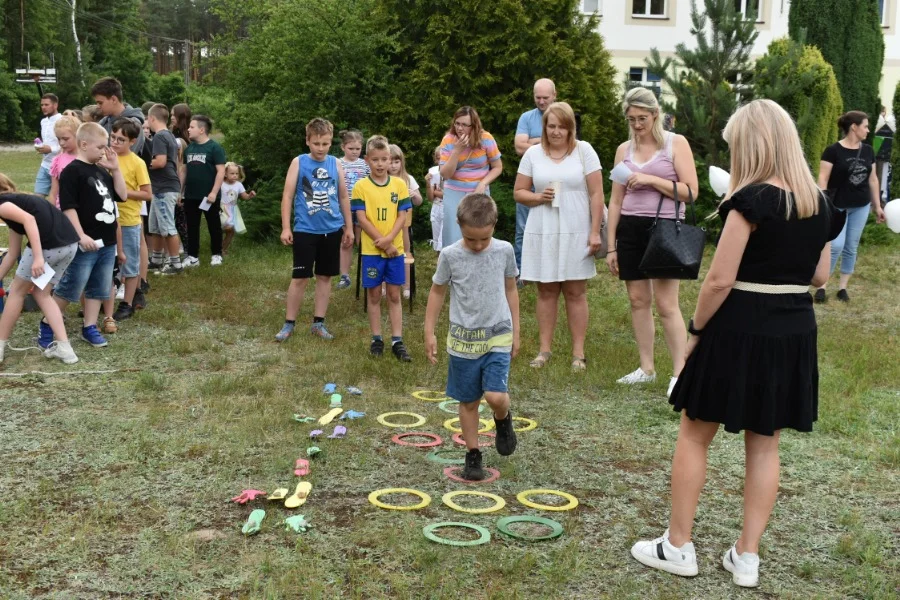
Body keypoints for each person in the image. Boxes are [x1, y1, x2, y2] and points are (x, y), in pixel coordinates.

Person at [630, 99, 841, 590]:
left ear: (752, 145)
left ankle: (678, 545)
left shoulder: (750, 201)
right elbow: (820, 275)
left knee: (694, 431)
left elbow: (719, 281)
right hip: (793, 327)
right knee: (765, 444)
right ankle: (747, 557)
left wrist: (696, 332)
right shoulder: (820, 205)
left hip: (738, 323)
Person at [606, 87, 699, 397]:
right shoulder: (623, 150)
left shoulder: (676, 144)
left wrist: (650, 180)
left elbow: (690, 191)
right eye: (631, 119)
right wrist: (611, 245)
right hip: (630, 229)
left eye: (642, 118)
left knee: (666, 304)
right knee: (637, 300)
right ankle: (646, 368)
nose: (637, 125)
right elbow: (616, 201)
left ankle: (680, 372)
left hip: (665, 229)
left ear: (656, 115)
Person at [424, 193, 519, 480]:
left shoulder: (504, 251)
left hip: (498, 335)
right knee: (468, 402)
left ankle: (503, 420)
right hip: (463, 341)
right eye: (470, 239)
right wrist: (429, 331)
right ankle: (473, 455)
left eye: (483, 239)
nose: (477, 246)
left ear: (494, 226)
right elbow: (437, 291)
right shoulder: (451, 255)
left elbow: (511, 289)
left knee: (495, 395)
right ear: (459, 226)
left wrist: (517, 330)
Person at [514, 102, 605, 371]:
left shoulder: (584, 151)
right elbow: (519, 192)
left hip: (577, 227)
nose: (555, 131)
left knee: (576, 291)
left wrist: (594, 231)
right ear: (544, 127)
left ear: (570, 128)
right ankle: (544, 351)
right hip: (543, 227)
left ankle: (578, 353)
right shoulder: (532, 154)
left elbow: (597, 193)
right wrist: (538, 197)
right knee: (546, 290)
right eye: (551, 126)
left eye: (561, 127)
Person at [275, 118, 354, 342]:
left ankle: (318, 323)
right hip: (305, 229)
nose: (321, 148)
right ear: (308, 141)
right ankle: (289, 323)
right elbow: (288, 195)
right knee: (300, 277)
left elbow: (343, 196)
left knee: (325, 276)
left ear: (331, 143)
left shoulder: (336, 164)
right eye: (317, 143)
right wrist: (286, 227)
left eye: (326, 144)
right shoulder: (298, 162)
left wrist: (348, 227)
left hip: (332, 228)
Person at [50, 122, 127, 350]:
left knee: (99, 287)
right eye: (101, 146)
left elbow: (121, 195)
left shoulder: (101, 170)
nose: (105, 151)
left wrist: (115, 168)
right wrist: (81, 235)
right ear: (84, 144)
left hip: (107, 241)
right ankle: (48, 323)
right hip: (86, 242)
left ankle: (89, 326)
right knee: (71, 287)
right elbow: (69, 207)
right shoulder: (72, 171)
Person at [0, 174, 80, 364]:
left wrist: (37, 258)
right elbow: (12, 253)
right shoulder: (14, 204)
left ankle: (0, 345)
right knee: (42, 293)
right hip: (69, 246)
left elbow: (29, 220)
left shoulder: (3, 204)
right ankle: (65, 349)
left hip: (49, 248)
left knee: (17, 293)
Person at [814, 111, 887, 303]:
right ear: (854, 127)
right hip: (837, 205)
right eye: (865, 126)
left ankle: (842, 288)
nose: (868, 130)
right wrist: (823, 202)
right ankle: (822, 285)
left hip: (861, 205)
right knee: (835, 246)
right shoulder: (833, 151)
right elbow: (823, 178)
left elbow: (873, 179)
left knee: (851, 247)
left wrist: (877, 206)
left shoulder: (868, 151)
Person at [352, 135, 412, 361]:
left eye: (384, 159)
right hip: (371, 251)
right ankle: (377, 338)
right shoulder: (361, 186)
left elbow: (402, 215)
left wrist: (390, 241)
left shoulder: (399, 184)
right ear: (367, 160)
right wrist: (382, 242)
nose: (380, 164)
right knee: (375, 294)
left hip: (395, 251)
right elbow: (362, 218)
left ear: (390, 160)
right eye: (375, 159)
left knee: (394, 294)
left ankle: (397, 340)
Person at [439, 106, 502, 247]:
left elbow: (497, 167)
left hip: (478, 191)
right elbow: (445, 174)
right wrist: (456, 151)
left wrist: (483, 183)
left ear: (473, 126)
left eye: (464, 125)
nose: (460, 128)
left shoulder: (486, 138)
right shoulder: (448, 140)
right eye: (457, 123)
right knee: (453, 236)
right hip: (454, 191)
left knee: (479, 230)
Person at [109, 118, 151, 323]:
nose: (115, 142)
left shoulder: (137, 162)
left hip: (128, 220)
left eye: (121, 140)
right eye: (113, 137)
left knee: (130, 262)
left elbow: (147, 194)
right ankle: (103, 300)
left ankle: (127, 303)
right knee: (108, 261)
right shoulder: (105, 157)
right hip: (107, 218)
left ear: (132, 141)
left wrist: (124, 193)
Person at [513, 78, 557, 275]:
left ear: (554, 96)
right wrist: (545, 143)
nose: (541, 101)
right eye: (537, 97)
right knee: (523, 228)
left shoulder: (563, 116)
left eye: (545, 97)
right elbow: (518, 147)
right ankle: (522, 271)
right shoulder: (526, 118)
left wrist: (534, 141)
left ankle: (551, 268)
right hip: (528, 181)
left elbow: (567, 146)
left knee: (554, 226)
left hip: (555, 181)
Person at [181, 115, 226, 267]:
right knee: (192, 226)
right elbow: (184, 171)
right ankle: (193, 257)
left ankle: (216, 254)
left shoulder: (214, 148)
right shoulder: (189, 149)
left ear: (201, 130)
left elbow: (221, 171)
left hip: (209, 196)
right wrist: (180, 192)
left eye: (191, 127)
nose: (188, 129)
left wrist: (213, 192)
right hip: (191, 195)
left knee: (214, 226)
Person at [145, 104, 184, 275]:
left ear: (152, 118)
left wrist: (144, 165)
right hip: (161, 187)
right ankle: (156, 260)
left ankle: (175, 264)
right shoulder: (169, 135)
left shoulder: (160, 137)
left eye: (147, 118)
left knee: (167, 227)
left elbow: (160, 162)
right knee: (154, 226)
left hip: (164, 187)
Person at [388, 144, 423, 299]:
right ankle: (383, 285)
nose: (393, 165)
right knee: (384, 254)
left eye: (397, 161)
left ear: (401, 162)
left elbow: (419, 201)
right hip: (385, 226)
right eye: (390, 161)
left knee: (404, 254)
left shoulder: (409, 179)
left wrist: (414, 195)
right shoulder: (381, 180)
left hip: (404, 226)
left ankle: (406, 286)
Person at [336, 129, 370, 290]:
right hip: (344, 208)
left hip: (363, 208)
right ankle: (345, 275)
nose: (355, 152)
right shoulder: (338, 163)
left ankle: (367, 273)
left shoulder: (365, 164)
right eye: (351, 149)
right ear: (343, 147)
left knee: (362, 241)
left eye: (357, 149)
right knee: (346, 241)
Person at [90, 77, 147, 158]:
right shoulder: (103, 122)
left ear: (113, 99)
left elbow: (127, 157)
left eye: (100, 103)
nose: (98, 106)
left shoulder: (134, 124)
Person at [220, 162, 256, 254]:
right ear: (225, 173)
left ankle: (223, 249)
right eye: (232, 173)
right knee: (226, 227)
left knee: (231, 231)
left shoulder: (238, 185)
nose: (235, 176)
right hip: (221, 209)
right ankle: (217, 246)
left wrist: (250, 195)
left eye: (236, 174)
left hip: (233, 209)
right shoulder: (221, 183)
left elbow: (245, 197)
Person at [170, 103, 192, 249]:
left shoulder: (181, 140)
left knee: (181, 219)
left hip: (180, 183)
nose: (171, 117)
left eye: (174, 115)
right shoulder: (175, 135)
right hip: (178, 183)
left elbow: (181, 165)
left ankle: (187, 249)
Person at [47, 116, 81, 209]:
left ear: (78, 136)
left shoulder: (88, 158)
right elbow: (54, 193)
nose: (61, 143)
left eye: (65, 139)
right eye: (58, 139)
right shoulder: (57, 160)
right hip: (62, 209)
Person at [35, 93, 62, 198]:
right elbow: (48, 141)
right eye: (42, 105)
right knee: (37, 198)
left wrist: (51, 149)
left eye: (46, 105)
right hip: (44, 165)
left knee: (56, 199)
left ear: (55, 105)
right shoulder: (43, 121)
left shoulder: (62, 120)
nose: (43, 107)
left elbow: (68, 144)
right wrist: (40, 146)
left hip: (58, 166)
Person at [425, 146, 443, 251]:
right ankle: (438, 266)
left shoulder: (453, 172)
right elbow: (430, 198)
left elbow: (449, 195)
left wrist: (436, 192)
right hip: (436, 208)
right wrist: (428, 183)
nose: (441, 161)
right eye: (438, 158)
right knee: (437, 243)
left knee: (443, 242)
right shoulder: (433, 172)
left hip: (448, 209)